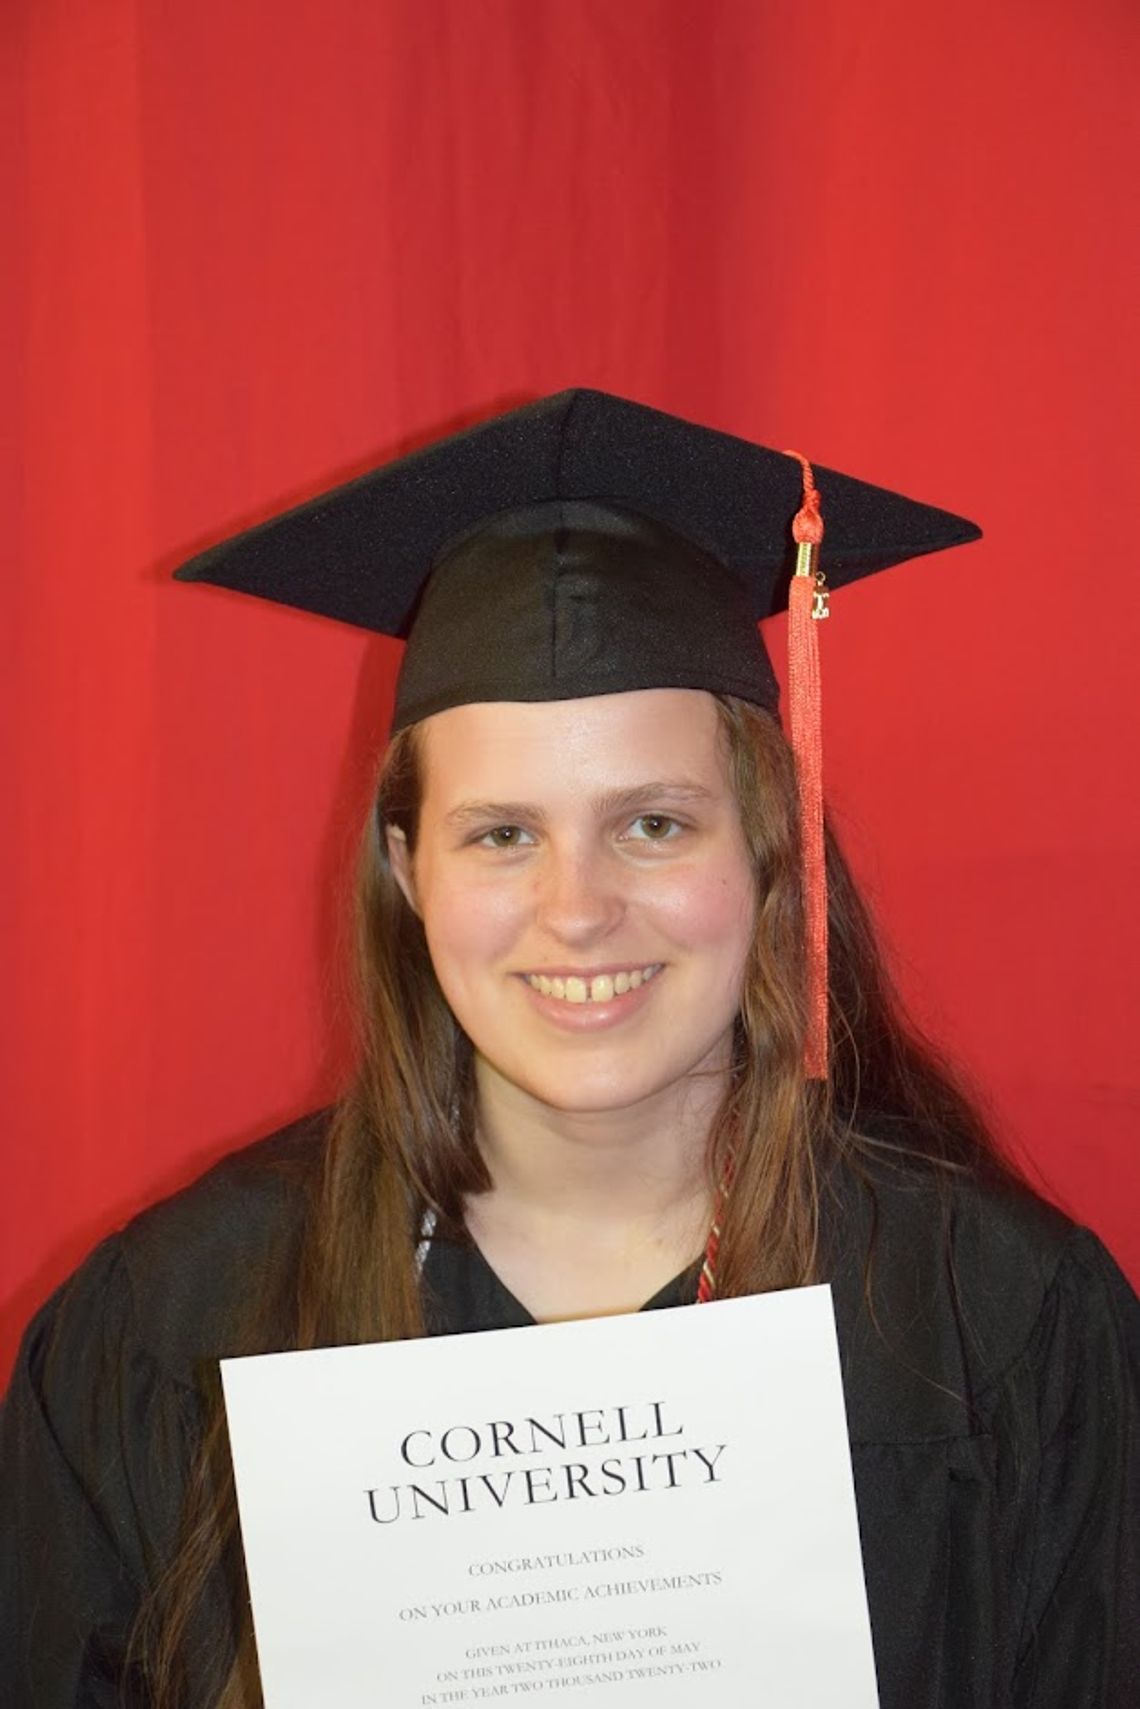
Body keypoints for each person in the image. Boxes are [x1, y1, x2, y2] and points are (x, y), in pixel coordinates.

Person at [1, 389, 1136, 1708]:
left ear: (770, 855)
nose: (579, 907)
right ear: (405, 869)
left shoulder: (996, 1324)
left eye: (654, 823)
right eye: (502, 833)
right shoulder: (172, 1327)